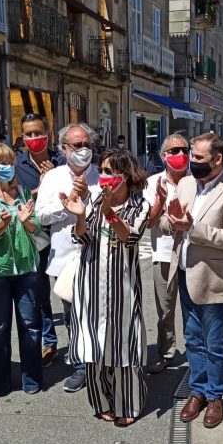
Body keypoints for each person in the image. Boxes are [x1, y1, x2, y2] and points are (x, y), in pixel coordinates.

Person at [160, 133, 223, 429]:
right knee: (193, 338)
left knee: (214, 342)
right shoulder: (185, 183)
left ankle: (215, 396)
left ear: (218, 159)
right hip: (185, 273)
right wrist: (170, 220)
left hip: (215, 280)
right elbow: (166, 222)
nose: (191, 161)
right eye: (191, 156)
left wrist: (193, 228)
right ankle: (197, 391)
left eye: (198, 157)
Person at [60, 149, 151, 426]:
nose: (105, 176)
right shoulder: (96, 199)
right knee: (93, 343)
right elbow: (83, 238)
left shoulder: (140, 205)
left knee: (123, 342)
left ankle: (128, 404)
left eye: (112, 171)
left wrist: (109, 213)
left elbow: (131, 238)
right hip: (90, 283)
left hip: (122, 287)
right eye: (103, 170)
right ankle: (101, 400)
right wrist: (79, 216)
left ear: (126, 176)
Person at [0, 143, 44, 396]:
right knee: (0, 329)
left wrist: (27, 222)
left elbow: (36, 227)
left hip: (26, 269)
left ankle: (31, 378)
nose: (6, 167)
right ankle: (1, 383)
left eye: (10, 162)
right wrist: (2, 225)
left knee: (31, 326)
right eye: (0, 162)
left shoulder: (23, 192)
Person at [35, 123, 100, 392]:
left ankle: (101, 363)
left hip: (98, 255)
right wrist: (70, 204)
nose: (83, 150)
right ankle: (81, 366)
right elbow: (41, 215)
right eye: (77, 145)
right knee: (73, 315)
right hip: (65, 258)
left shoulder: (102, 173)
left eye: (87, 144)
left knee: (99, 313)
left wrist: (89, 200)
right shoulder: (53, 177)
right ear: (64, 148)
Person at [15, 113, 66, 367]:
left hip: (61, 234)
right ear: (22, 137)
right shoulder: (16, 164)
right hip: (33, 234)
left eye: (38, 133)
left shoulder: (62, 161)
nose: (34, 138)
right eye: (29, 134)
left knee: (68, 290)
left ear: (48, 133)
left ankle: (79, 339)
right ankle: (50, 342)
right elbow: (15, 200)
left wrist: (57, 176)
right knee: (39, 292)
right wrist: (43, 184)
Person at [144, 134, 189, 373]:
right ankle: (166, 353)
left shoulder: (196, 181)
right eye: (174, 150)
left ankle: (195, 353)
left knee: (194, 309)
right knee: (165, 311)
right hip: (163, 254)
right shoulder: (153, 182)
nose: (180, 154)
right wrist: (160, 200)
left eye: (184, 149)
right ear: (164, 156)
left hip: (192, 255)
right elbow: (148, 223)